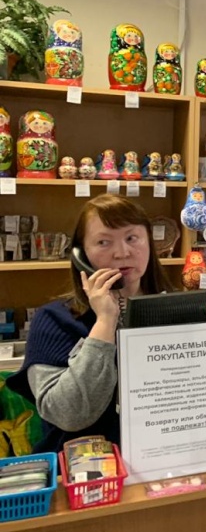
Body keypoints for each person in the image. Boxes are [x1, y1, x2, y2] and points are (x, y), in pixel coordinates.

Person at [7, 194, 171, 453]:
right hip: (82, 465)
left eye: (132, 238)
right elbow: (69, 414)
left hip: (163, 456)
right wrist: (106, 321)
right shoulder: (53, 320)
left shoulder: (174, 309)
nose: (122, 253)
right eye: (104, 242)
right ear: (80, 254)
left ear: (149, 242)